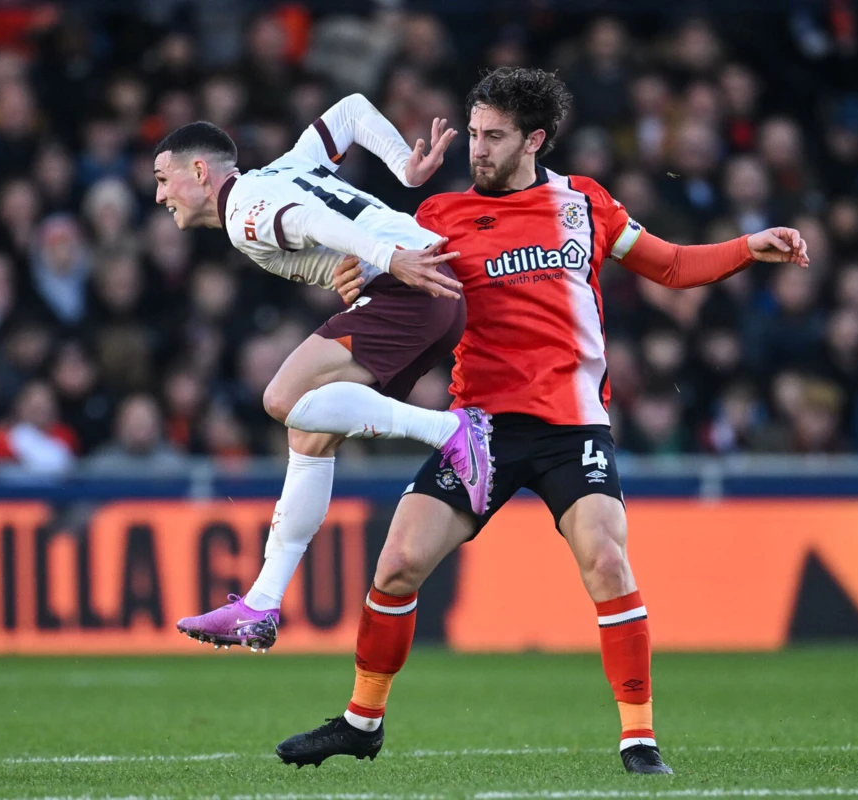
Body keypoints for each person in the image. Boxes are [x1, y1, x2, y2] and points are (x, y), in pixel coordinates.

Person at [275, 67, 809, 775]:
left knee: (607, 561)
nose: (478, 149)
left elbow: (672, 267)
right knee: (398, 566)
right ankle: (361, 721)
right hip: (477, 431)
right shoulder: (435, 217)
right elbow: (377, 279)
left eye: (493, 137)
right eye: (472, 134)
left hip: (572, 427)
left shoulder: (583, 203)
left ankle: (639, 739)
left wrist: (748, 247)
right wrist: (356, 274)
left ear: (536, 138)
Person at [152, 95, 494, 651]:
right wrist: (403, 165)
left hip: (408, 280)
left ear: (199, 171)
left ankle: (452, 432)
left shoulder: (243, 212)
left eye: (164, 179)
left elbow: (314, 219)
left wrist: (386, 259)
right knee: (309, 435)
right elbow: (353, 111)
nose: (160, 194)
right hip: (432, 284)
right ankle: (261, 603)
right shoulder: (285, 168)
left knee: (282, 397)